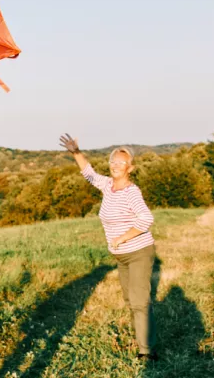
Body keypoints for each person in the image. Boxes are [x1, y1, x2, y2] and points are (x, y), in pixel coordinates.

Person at [59, 134, 158, 361]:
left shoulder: (131, 192)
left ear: (129, 168)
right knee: (130, 300)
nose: (115, 166)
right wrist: (76, 151)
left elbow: (145, 219)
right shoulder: (108, 186)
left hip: (138, 253)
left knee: (139, 301)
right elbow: (89, 173)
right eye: (113, 161)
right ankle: (142, 339)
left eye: (121, 163)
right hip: (121, 257)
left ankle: (147, 351)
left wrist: (123, 238)